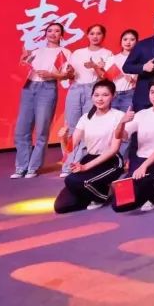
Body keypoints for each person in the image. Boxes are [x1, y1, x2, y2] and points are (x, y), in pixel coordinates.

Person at [54, 80, 125, 212]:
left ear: (113, 96)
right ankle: (93, 192)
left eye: (105, 95)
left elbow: (114, 149)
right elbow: (70, 147)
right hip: (90, 158)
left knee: (81, 182)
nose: (100, 99)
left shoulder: (118, 116)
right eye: (96, 95)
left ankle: (104, 195)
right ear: (92, 96)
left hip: (111, 161)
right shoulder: (85, 118)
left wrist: (85, 167)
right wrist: (63, 138)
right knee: (61, 206)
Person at [13, 22, 72, 178]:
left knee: (41, 130)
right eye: (50, 30)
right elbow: (22, 71)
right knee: (22, 129)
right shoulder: (36, 51)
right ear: (45, 33)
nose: (53, 33)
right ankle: (21, 166)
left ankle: (33, 167)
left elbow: (66, 76)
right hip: (29, 87)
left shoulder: (65, 52)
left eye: (57, 31)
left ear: (61, 35)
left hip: (47, 88)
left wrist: (51, 74)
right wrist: (23, 60)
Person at [112, 77, 154, 213]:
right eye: (152, 92)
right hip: (141, 158)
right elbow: (121, 135)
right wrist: (122, 122)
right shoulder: (142, 114)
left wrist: (144, 166)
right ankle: (148, 189)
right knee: (119, 205)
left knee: (149, 179)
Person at [61, 24, 114, 177]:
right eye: (92, 33)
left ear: (103, 36)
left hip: (94, 90)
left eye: (98, 33)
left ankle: (80, 163)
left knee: (87, 129)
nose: (95, 36)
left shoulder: (108, 54)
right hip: (75, 89)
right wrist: (69, 72)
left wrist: (95, 66)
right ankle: (67, 164)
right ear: (87, 35)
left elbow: (106, 77)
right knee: (72, 128)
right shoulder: (77, 53)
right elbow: (69, 75)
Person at [107, 29, 138, 116]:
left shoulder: (139, 59)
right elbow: (107, 78)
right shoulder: (112, 58)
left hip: (130, 93)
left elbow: (140, 78)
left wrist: (134, 80)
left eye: (132, 39)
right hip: (114, 94)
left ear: (136, 42)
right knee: (113, 121)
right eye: (125, 39)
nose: (128, 42)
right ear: (121, 41)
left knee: (128, 120)